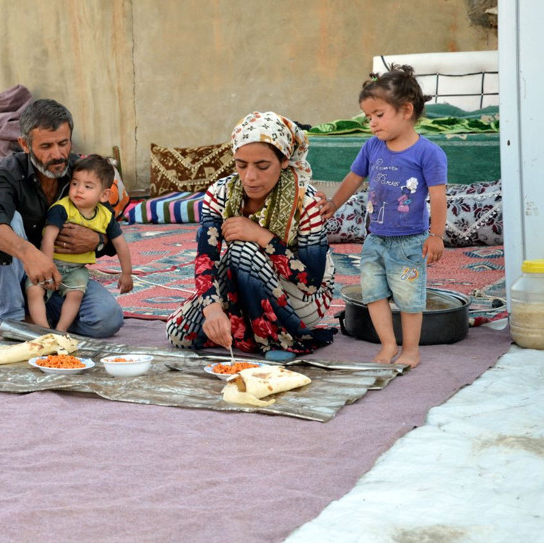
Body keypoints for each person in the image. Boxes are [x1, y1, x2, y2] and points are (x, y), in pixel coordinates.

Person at [166, 111, 336, 360]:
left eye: (262, 166)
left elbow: (310, 283)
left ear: (284, 161)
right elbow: (207, 258)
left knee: (241, 249)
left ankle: (275, 340)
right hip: (244, 283)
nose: (250, 177)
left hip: (302, 300)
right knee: (179, 333)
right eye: (241, 165)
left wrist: (261, 237)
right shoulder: (221, 193)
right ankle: (247, 330)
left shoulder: (306, 201)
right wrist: (212, 310)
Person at [318, 65, 447, 368]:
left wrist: (436, 235)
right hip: (375, 238)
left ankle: (411, 350)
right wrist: (334, 204)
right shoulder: (372, 147)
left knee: (409, 298)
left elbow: (439, 197)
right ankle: (389, 344)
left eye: (378, 114)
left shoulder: (428, 153)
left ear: (406, 110)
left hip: (410, 241)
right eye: (368, 117)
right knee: (373, 293)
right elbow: (354, 178)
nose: (372, 123)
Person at [0, 99, 124, 337]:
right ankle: (13, 321)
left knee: (107, 319)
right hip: (10, 281)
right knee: (8, 221)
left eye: (63, 143)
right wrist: (29, 254)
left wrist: (98, 240)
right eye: (46, 146)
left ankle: (40, 321)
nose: (57, 155)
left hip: (60, 279)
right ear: (24, 144)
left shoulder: (81, 172)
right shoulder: (6, 173)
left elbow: (110, 228)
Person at [26, 154, 133, 332]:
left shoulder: (106, 216)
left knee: (75, 295)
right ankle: (43, 329)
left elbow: (120, 243)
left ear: (104, 195)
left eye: (88, 186)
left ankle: (61, 330)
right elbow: (48, 239)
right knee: (34, 290)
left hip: (76, 270)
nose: (79, 190)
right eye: (75, 183)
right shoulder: (62, 209)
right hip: (50, 264)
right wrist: (47, 268)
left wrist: (127, 273)